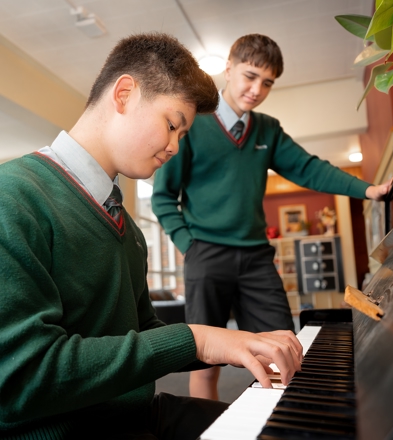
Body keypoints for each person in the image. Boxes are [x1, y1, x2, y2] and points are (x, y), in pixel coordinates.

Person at [0, 33, 304, 440]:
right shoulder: (13, 198)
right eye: (172, 125)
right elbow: (22, 378)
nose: (176, 147)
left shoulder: (127, 229)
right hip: (66, 430)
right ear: (124, 94)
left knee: (281, 432)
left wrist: (237, 342)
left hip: (134, 415)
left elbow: (142, 336)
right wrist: (196, 338)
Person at [151, 33, 393, 401]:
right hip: (206, 256)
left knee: (283, 348)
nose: (256, 89)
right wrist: (188, 246)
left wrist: (368, 190)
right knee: (206, 362)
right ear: (228, 68)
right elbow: (162, 198)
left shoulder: (267, 130)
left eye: (267, 82)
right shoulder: (193, 124)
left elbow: (308, 168)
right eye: (250, 76)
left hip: (256, 258)